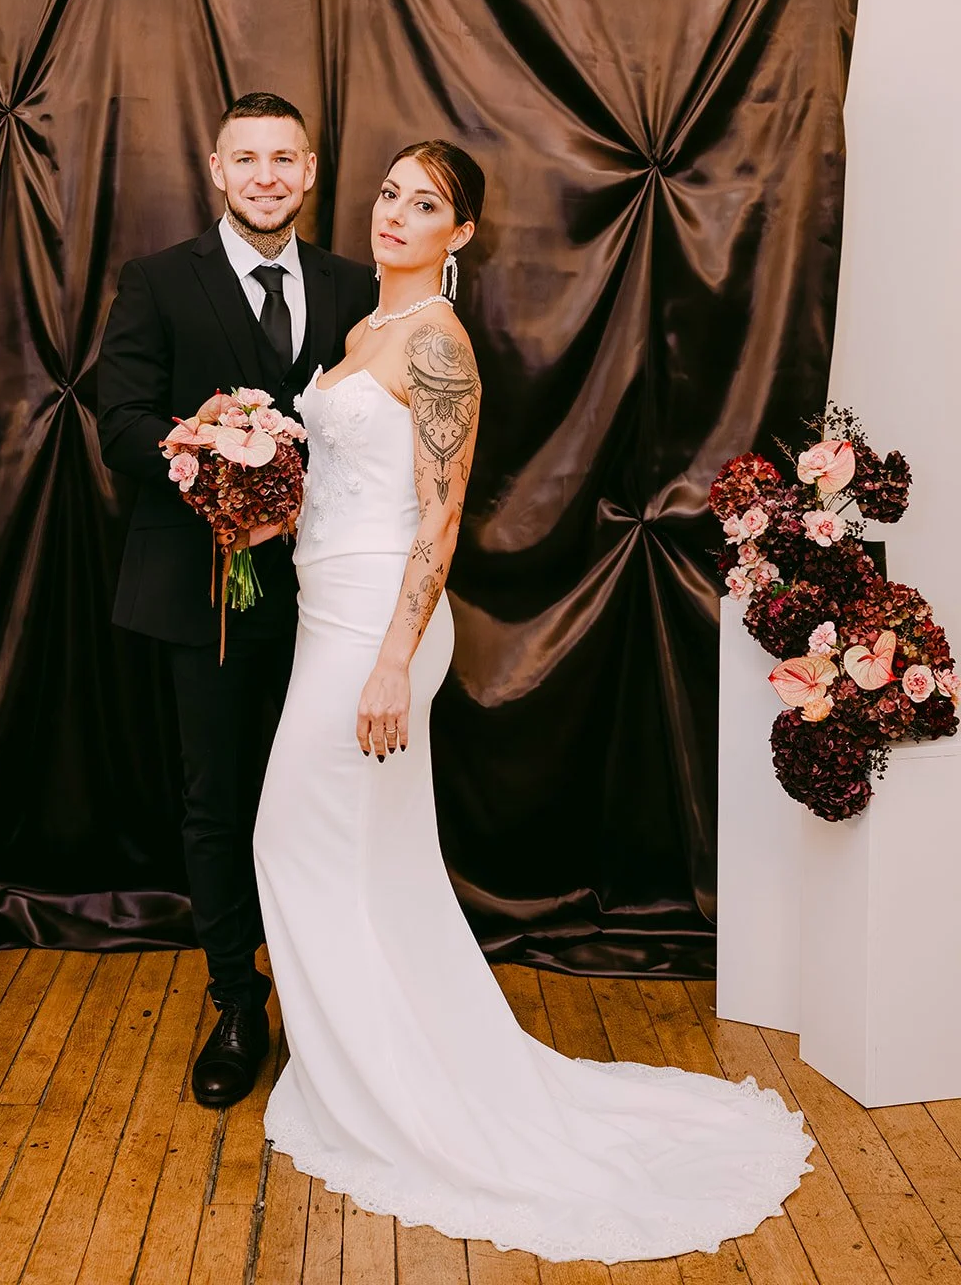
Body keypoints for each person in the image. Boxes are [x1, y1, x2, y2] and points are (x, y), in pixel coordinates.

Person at [253, 139, 814, 1263]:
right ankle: (370, 1074)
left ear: (460, 234)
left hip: (377, 625)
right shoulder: (364, 331)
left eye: (424, 204)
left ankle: (394, 1098)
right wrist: (261, 495)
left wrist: (391, 660)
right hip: (329, 610)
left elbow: (439, 513)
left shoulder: (437, 342)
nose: (394, 214)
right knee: (367, 861)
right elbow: (350, 478)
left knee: (297, 842)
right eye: (389, 194)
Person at [96, 92, 376, 1108]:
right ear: (217, 170)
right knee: (217, 801)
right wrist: (203, 448)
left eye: (283, 159)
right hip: (202, 590)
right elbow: (118, 420)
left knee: (332, 795)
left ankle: (335, 1004)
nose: (265, 176)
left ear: (309, 172)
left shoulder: (355, 285)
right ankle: (235, 1002)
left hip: (332, 589)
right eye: (245, 159)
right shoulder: (159, 280)